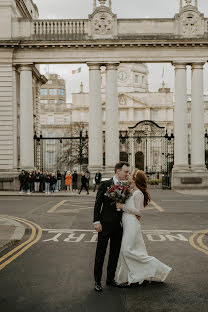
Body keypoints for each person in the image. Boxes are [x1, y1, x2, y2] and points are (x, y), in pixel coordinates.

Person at [115, 169, 172, 286]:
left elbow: (139, 212)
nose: (128, 175)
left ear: (135, 179)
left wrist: (123, 206)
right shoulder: (132, 190)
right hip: (127, 223)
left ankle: (158, 267)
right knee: (126, 251)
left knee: (127, 250)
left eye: (131, 174)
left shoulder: (138, 193)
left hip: (131, 224)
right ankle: (128, 277)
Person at [93, 161, 132, 292]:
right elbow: (98, 204)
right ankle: (97, 281)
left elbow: (126, 205)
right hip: (104, 225)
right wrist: (96, 221)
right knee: (100, 254)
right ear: (118, 171)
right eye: (126, 171)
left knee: (114, 254)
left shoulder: (126, 186)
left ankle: (110, 279)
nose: (128, 174)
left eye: (128, 171)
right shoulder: (105, 184)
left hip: (118, 226)